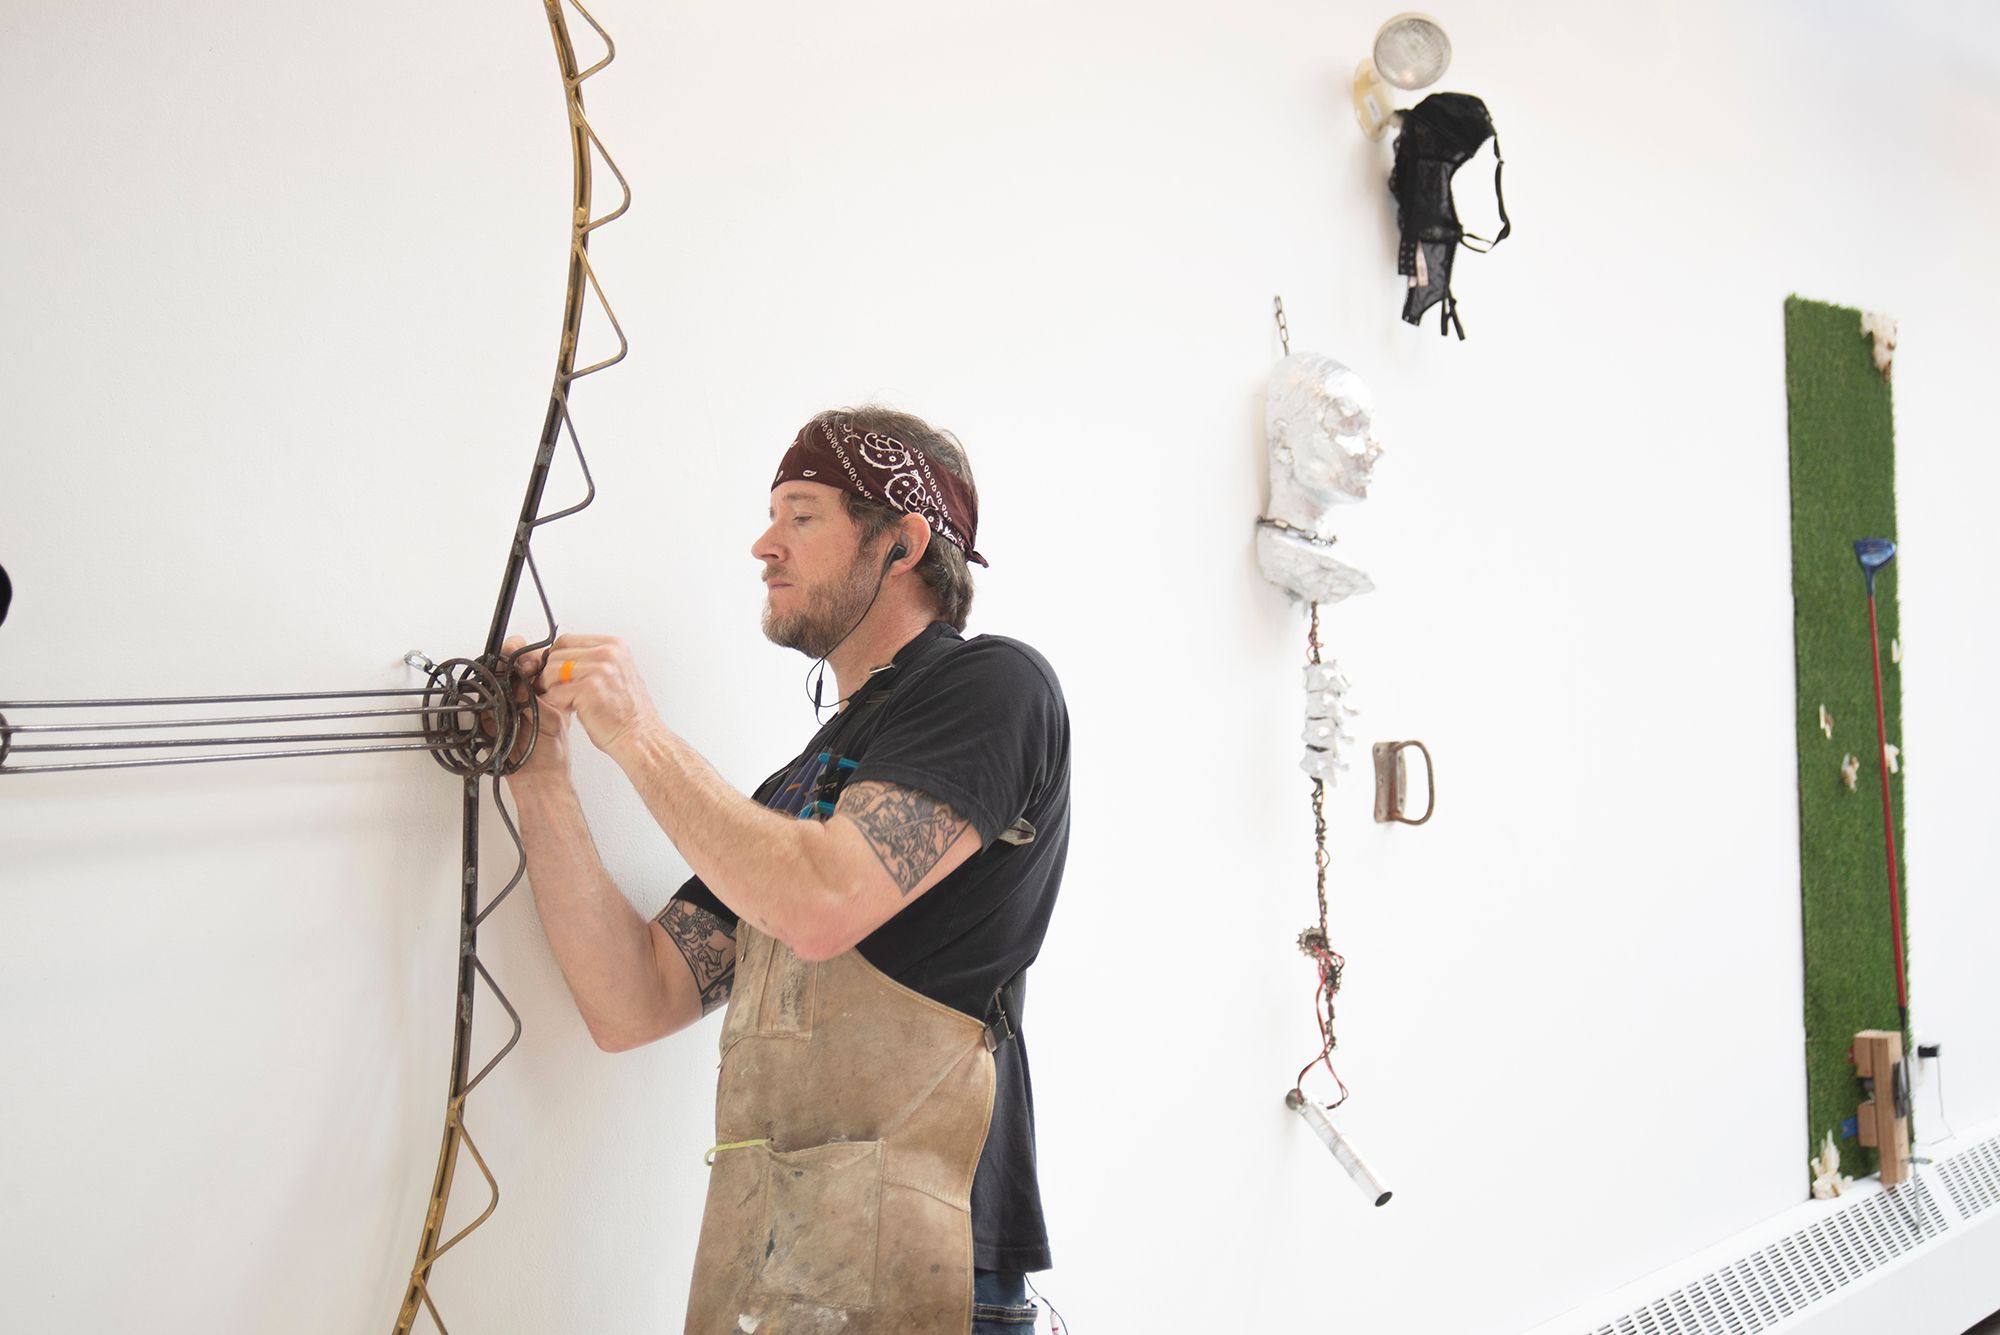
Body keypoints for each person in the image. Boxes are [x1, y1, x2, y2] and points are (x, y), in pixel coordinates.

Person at [502, 405, 1069, 1334]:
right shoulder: (797, 790)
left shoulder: (996, 688)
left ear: (902, 541)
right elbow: (631, 997)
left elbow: (824, 900)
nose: (765, 545)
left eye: (802, 515)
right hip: (787, 1270)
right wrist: (540, 774)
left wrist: (638, 734)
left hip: (931, 1272)